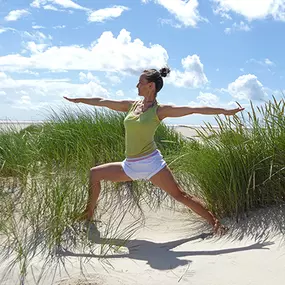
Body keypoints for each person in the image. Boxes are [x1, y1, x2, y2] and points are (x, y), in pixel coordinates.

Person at [64, 67, 244, 235]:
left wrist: (225, 111)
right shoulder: (131, 106)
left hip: (152, 164)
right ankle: (88, 214)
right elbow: (103, 102)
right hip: (130, 165)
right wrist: (78, 100)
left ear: (151, 86)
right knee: (94, 174)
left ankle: (216, 224)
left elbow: (193, 109)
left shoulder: (160, 110)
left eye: (140, 82)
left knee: (180, 195)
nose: (137, 85)